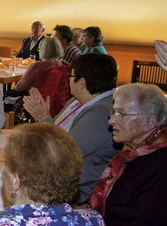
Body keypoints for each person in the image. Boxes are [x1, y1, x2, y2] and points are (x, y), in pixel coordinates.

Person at [89, 83, 167, 226]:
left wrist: (92, 224)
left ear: (150, 122)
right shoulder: (134, 156)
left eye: (121, 114)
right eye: (113, 113)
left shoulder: (161, 164)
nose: (112, 121)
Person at [23, 53, 120, 204]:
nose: (68, 80)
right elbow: (57, 132)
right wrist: (44, 118)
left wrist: (44, 119)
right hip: (56, 177)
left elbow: (63, 154)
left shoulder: (100, 114)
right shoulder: (77, 102)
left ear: (81, 83)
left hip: (74, 193)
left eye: (71, 76)